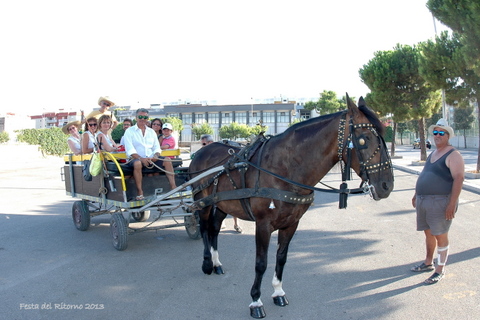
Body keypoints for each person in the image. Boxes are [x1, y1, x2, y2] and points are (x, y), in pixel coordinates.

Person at [411, 118, 464, 285]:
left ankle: (440, 269)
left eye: (442, 133)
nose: (437, 135)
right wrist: (416, 193)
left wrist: (451, 204)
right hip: (423, 200)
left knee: (440, 235)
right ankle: (428, 262)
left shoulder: (453, 154)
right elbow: (425, 174)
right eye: (435, 132)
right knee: (428, 233)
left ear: (448, 136)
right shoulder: (433, 153)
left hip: (440, 202)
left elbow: (459, 178)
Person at [123, 108, 177, 200]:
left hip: (151, 159)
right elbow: (130, 150)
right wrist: (141, 159)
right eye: (140, 116)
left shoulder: (151, 132)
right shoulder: (129, 131)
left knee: (167, 160)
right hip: (135, 160)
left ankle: (173, 188)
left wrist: (156, 156)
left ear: (147, 118)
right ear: (136, 118)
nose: (142, 119)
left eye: (145, 117)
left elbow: (157, 147)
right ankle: (140, 192)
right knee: (137, 163)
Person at [200, 134, 242, 233]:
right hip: (213, 181)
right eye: (202, 144)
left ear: (210, 143)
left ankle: (236, 223)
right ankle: (221, 221)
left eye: (204, 144)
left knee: (233, 199)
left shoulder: (217, 151)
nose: (202, 146)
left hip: (224, 180)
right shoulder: (205, 154)